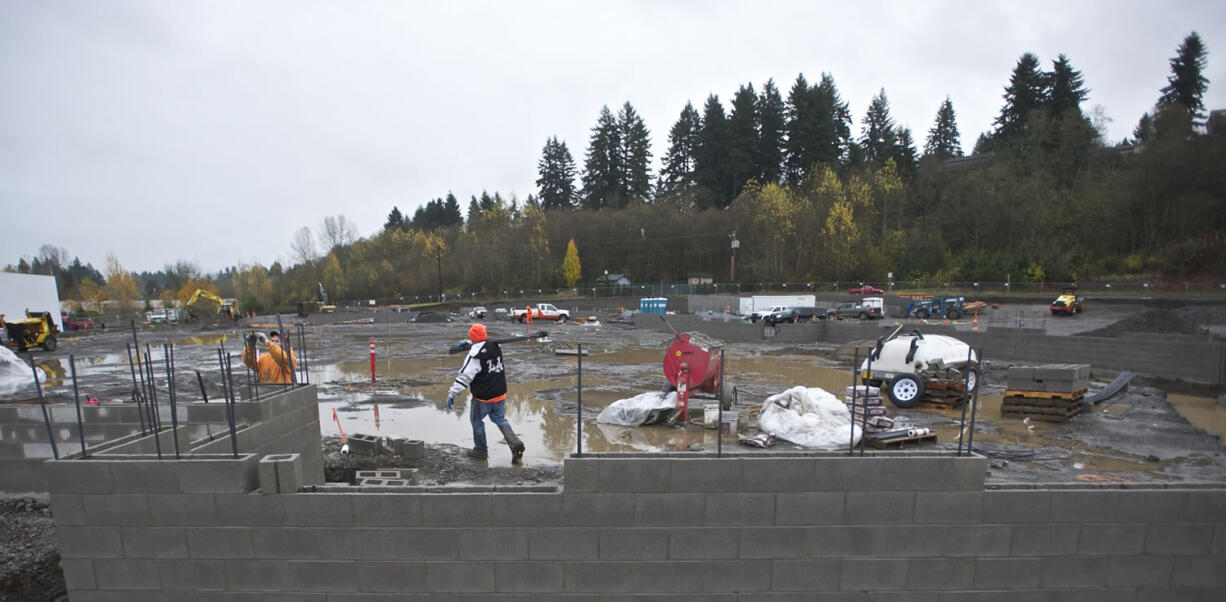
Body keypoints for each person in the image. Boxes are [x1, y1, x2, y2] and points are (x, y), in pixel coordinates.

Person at [446, 323, 525, 463]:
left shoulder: (474, 356)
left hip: (482, 397)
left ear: (472, 337)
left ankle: (480, 451)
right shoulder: (495, 346)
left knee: (476, 421)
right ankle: (515, 443)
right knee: (500, 419)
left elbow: (464, 377)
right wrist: (468, 343)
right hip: (499, 394)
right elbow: (481, 342)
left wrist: (452, 394)